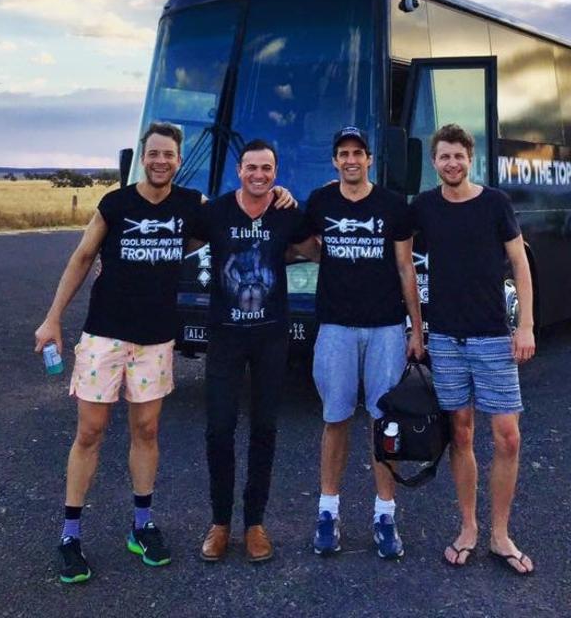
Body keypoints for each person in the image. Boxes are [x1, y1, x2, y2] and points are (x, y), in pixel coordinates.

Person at [34, 122, 203, 583]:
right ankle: (70, 535)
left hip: (156, 340)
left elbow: (231, 223)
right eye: (153, 154)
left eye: (169, 154)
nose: (161, 161)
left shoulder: (191, 206)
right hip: (105, 336)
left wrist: (280, 196)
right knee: (90, 432)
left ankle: (141, 525)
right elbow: (83, 257)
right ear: (140, 159)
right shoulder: (115, 203)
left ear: (179, 159)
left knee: (146, 430)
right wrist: (52, 319)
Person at [410, 123, 536, 575]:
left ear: (471, 157)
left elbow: (519, 263)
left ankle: (501, 535)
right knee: (460, 434)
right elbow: (394, 243)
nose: (451, 164)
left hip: (492, 338)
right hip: (445, 340)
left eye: (458, 156)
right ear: (434, 162)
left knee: (508, 436)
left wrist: (525, 325)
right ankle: (468, 528)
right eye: (443, 157)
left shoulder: (495, 203)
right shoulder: (423, 207)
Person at [304, 126, 424, 560]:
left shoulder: (392, 205)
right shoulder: (320, 202)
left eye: (358, 153)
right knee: (335, 418)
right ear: (334, 161)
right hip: (335, 326)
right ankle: (328, 511)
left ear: (369, 159)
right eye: (343, 153)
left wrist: (416, 328)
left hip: (386, 329)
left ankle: (385, 514)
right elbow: (303, 244)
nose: (351, 160)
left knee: (383, 422)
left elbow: (406, 267)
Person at [197, 139, 312, 564]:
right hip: (225, 336)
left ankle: (255, 523)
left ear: (275, 174)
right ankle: (220, 522)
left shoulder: (286, 213)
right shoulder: (216, 213)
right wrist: (109, 258)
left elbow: (316, 243)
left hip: (270, 336)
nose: (258, 175)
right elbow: (176, 236)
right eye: (251, 168)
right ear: (238, 171)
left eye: (266, 169)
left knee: (265, 429)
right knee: (219, 429)